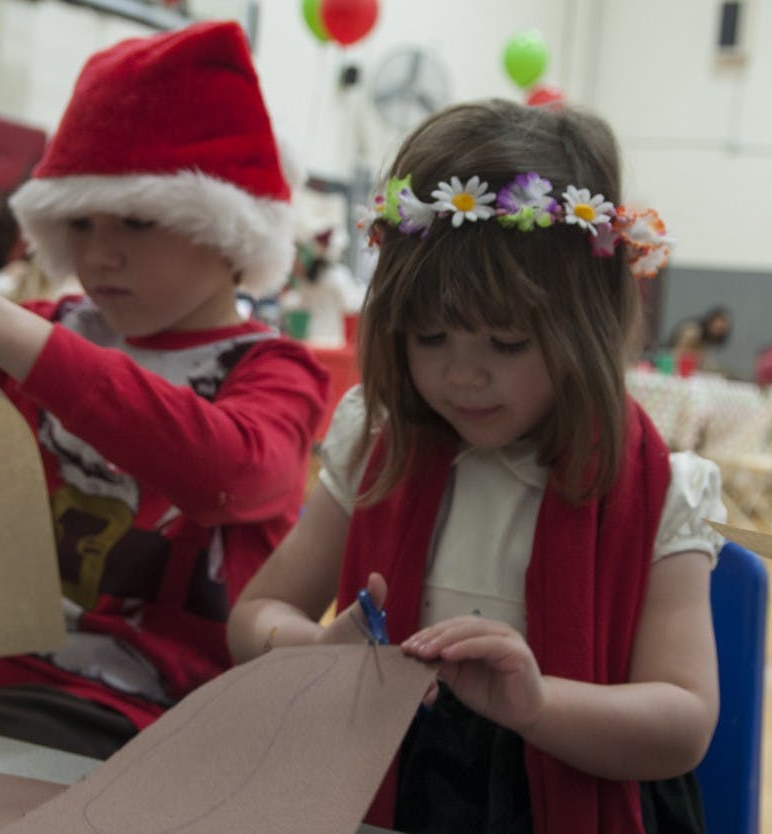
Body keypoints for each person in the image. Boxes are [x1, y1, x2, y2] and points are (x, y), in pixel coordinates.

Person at [0, 21, 329, 760]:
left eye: (139, 222)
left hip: (144, 708)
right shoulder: (56, 324)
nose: (100, 252)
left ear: (228, 232)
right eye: (78, 222)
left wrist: (21, 340)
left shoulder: (273, 367)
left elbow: (233, 474)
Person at [227, 99, 725, 834]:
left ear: (585, 325)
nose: (463, 377)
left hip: (569, 791)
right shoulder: (378, 443)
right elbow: (251, 620)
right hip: (382, 778)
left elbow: (683, 721)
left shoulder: (659, 487)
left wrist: (539, 703)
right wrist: (313, 648)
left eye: (506, 343)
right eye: (430, 337)